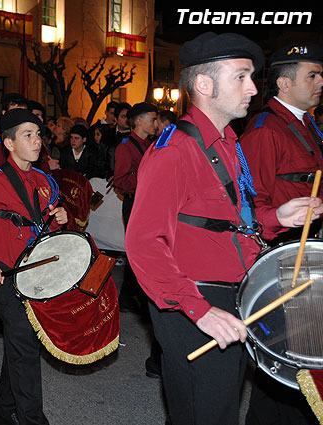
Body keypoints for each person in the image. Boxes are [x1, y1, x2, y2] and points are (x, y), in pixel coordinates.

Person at [124, 32, 323, 425]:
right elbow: (144, 243)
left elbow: (226, 216)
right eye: (241, 76)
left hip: (230, 290)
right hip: (194, 297)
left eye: (252, 77)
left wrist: (275, 217)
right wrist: (200, 311)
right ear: (204, 84)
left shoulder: (226, 141)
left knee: (220, 407)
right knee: (206, 412)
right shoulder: (175, 149)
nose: (252, 88)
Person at [0, 108, 67, 425]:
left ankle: (1, 411)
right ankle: (32, 419)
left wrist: (62, 220)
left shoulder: (43, 181)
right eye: (28, 135)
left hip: (37, 275)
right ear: (9, 143)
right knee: (25, 346)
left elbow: (48, 231)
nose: (37, 141)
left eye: (38, 134)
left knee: (22, 344)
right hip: (7, 275)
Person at [240, 42, 323, 425]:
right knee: (292, 358)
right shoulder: (264, 130)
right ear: (284, 83)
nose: (321, 81)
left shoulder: (308, 126)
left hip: (310, 251)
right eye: (313, 75)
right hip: (287, 256)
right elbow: (250, 202)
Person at [114, 102, 158, 314]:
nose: (156, 124)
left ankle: (128, 295)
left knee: (142, 250)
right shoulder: (126, 147)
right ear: (138, 121)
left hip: (146, 202)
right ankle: (133, 295)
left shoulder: (149, 144)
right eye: (152, 119)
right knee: (139, 250)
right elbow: (120, 181)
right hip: (133, 202)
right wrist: (145, 178)